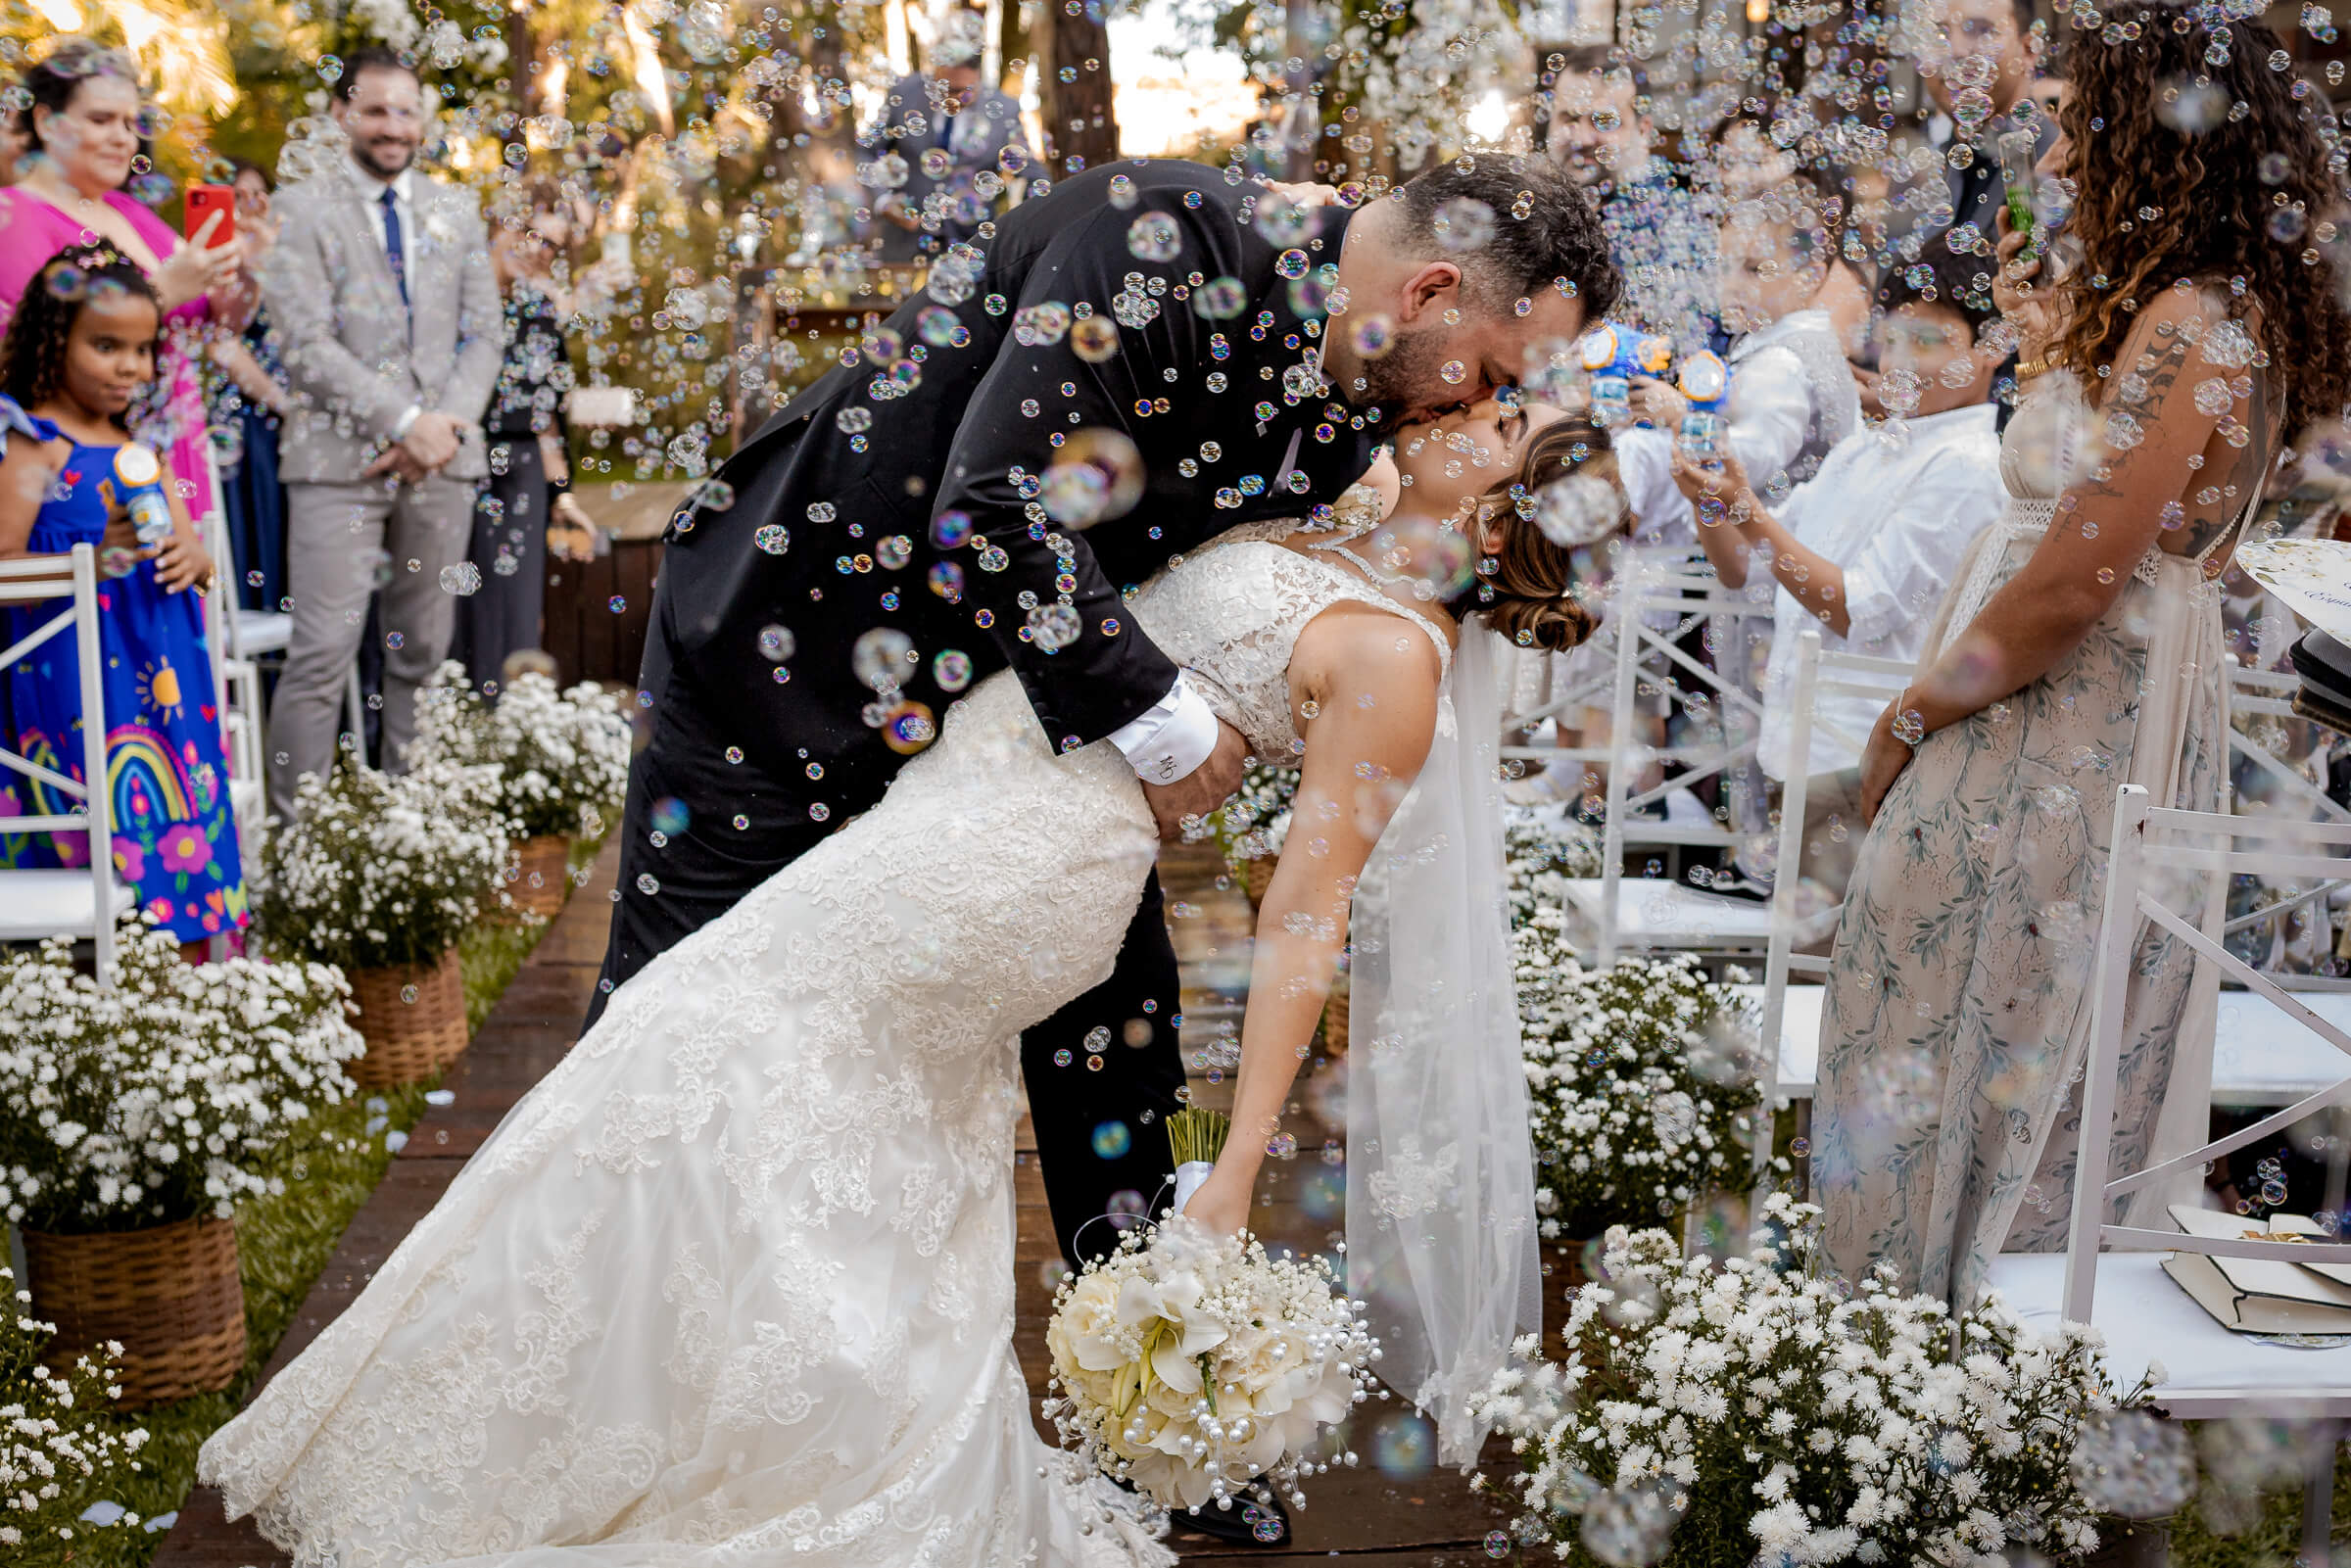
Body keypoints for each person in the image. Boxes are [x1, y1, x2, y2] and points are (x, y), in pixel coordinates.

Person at [197, 368, 1599, 1560]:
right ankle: (816, 1411)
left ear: (1493, 506)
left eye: (1506, 419)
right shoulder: (1340, 522)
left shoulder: (1400, 667)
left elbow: (1305, 918)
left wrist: (1229, 1167)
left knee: (706, 1028)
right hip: (974, 790)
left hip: (1026, 856)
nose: (1474, 397)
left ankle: (722, 1428)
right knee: (856, 1115)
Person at [1810, 8, 2351, 1309]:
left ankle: (1933, 1342)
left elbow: (2070, 584)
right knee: (1994, 1024)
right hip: (2071, 715)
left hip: (2056, 730)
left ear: (2157, 136)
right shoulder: (2196, 305)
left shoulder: (2193, 319)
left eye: (2073, 125)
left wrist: (1908, 716)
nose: (2050, 157)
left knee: (1972, 1023)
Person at [1669, 243, 2006, 895]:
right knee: (1793, 972)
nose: (1903, 358)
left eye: (1930, 339)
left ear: (1991, 349)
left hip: (1865, 758)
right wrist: (1713, 502)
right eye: (1894, 336)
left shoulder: (1965, 464)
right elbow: (1745, 569)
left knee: (1818, 977)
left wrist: (1745, 508)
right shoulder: (1867, 450)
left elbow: (1857, 606)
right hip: (1798, 745)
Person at [260, 46, 501, 823]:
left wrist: (442, 428)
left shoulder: (454, 208)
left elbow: (484, 336)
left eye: (405, 110)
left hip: (442, 465)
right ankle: (300, 853)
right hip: (338, 466)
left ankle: (413, 835)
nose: (392, 126)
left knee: (425, 657)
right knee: (321, 657)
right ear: (341, 116)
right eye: (374, 109)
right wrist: (404, 422)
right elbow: (303, 342)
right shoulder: (299, 209)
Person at [0, 247, 244, 953]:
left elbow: (195, 561)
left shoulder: (140, 446)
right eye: (106, 346)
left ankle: (184, 954)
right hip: (77, 678)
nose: (130, 367)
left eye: (142, 349)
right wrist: (87, 559)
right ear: (54, 339)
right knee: (99, 805)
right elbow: (4, 566)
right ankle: (102, 963)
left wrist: (192, 557)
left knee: (179, 792)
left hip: (164, 676)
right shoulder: (32, 442)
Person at [0, 39, 246, 534]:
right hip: (88, 457)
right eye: (101, 120)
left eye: (132, 124)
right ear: (47, 122)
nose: (124, 139)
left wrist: (239, 282)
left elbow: (212, 320)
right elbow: (33, 349)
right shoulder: (15, 216)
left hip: (171, 439)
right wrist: (163, 292)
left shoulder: (132, 212)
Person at [450, 183, 576, 692]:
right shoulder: (453, 302)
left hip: (522, 465)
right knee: (464, 596)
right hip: (460, 457)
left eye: (552, 246)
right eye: (532, 235)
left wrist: (562, 494)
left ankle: (514, 719)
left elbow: (545, 416)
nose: (540, 253)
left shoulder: (539, 310)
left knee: (520, 597)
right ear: (501, 226)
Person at [1545, 43, 1718, 356]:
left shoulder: (1678, 225)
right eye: (1568, 118)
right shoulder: (1532, 213)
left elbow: (1690, 349)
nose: (1582, 139)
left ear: (1644, 129)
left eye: (1603, 121)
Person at [860, 18, 1023, 261]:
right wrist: (883, 200)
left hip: (972, 243)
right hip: (905, 242)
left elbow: (1026, 167)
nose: (952, 99)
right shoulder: (903, 94)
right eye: (943, 89)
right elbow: (865, 151)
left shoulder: (1006, 109)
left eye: (961, 90)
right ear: (933, 73)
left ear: (978, 77)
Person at [207, 157, 292, 615]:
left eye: (257, 193)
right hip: (244, 421)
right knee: (257, 523)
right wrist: (285, 405)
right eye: (234, 196)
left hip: (294, 421)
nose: (248, 204)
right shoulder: (215, 261)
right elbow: (223, 344)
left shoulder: (286, 252)